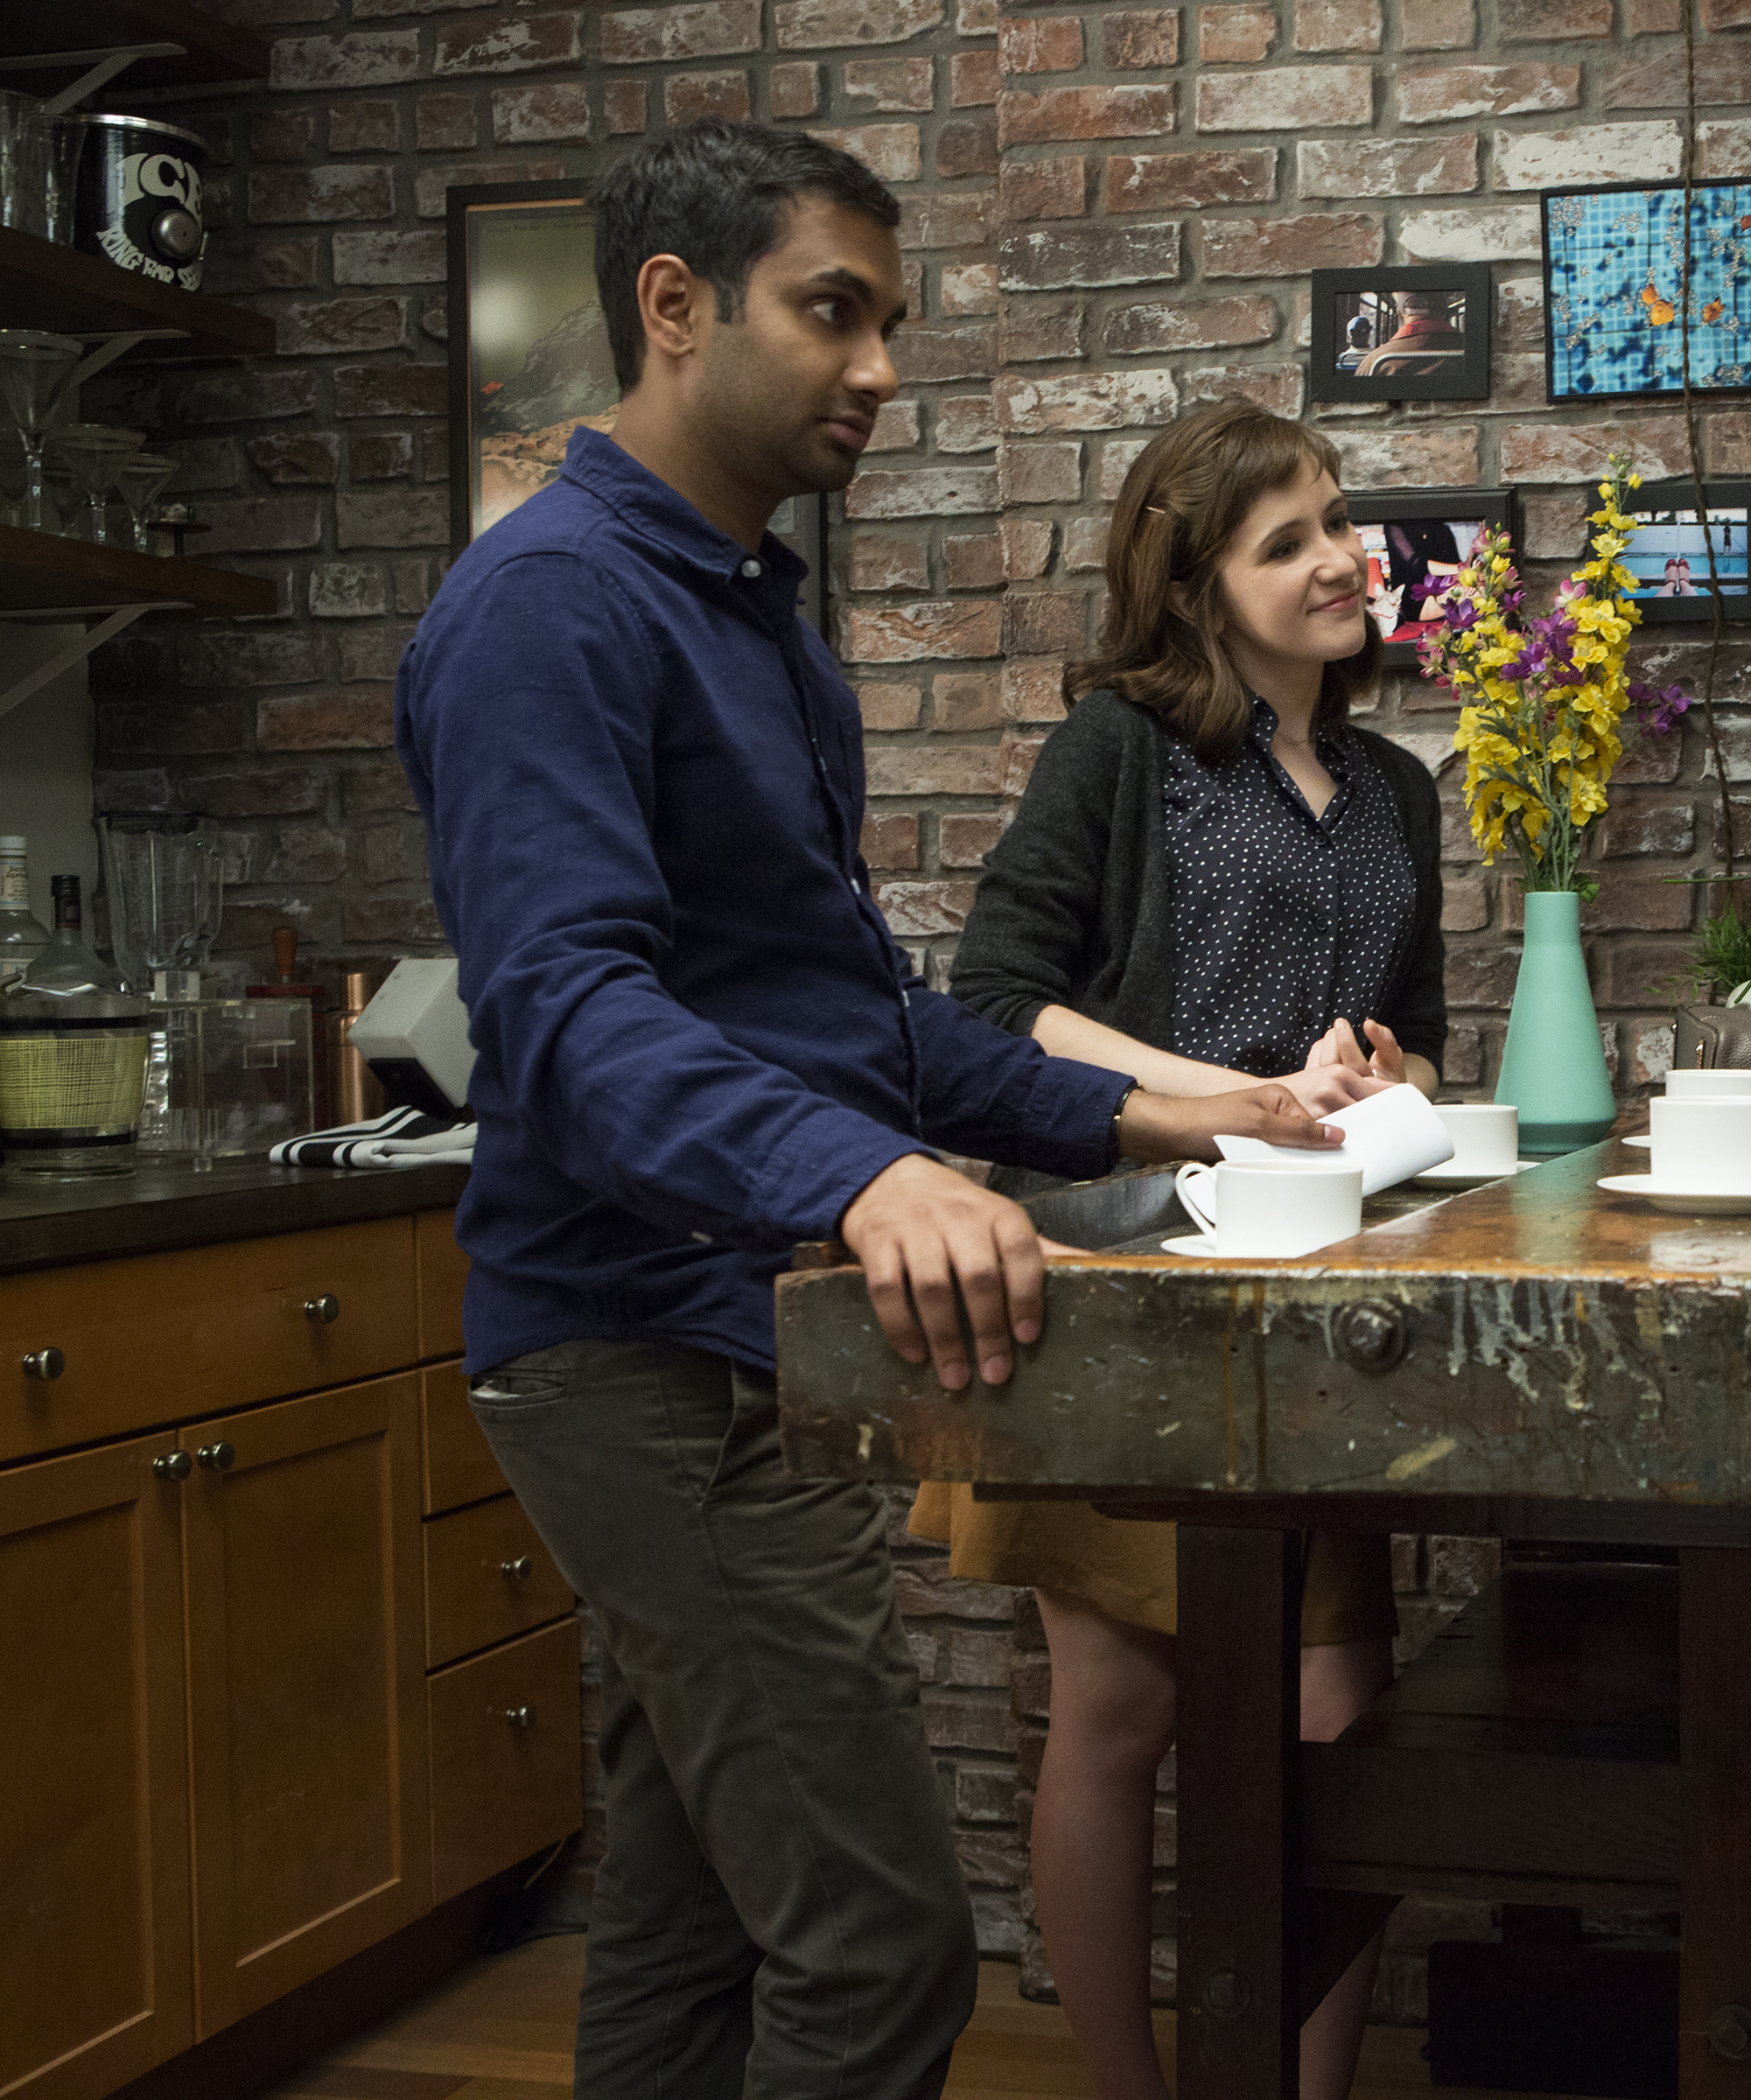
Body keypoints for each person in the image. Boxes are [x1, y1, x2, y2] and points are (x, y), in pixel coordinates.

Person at [396, 123, 1334, 2100]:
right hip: (636, 1349)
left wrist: (1183, 1115)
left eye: (889, 320)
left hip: (749, 1335)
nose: (882, 366)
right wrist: (868, 1171)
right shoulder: (545, 608)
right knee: (885, 1941)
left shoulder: (761, 625)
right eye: (835, 311)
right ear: (674, 308)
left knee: (690, 1914)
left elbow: (865, 1027)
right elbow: (565, 1013)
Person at [915, 399, 1447, 2100]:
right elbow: (994, 1004)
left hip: (1319, 1295)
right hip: (1127, 1279)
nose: (1336, 559)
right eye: (1283, 539)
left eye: (1338, 523)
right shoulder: (1123, 749)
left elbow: (1422, 1039)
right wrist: (1222, 1093)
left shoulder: (1393, 790)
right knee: (1125, 1719)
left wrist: (1377, 1075)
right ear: (1200, 584)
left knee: (1339, 1717)